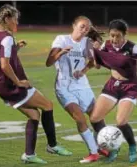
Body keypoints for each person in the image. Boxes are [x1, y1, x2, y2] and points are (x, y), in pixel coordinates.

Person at [76, 19, 137, 163]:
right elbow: (96, 65)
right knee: (95, 118)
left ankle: (132, 146)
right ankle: (113, 147)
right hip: (112, 86)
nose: (114, 39)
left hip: (129, 88)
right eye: (112, 35)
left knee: (121, 122)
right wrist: (87, 63)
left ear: (125, 34)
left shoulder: (133, 48)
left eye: (118, 36)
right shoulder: (105, 45)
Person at [0, 4, 72, 164]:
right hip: (12, 87)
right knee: (48, 105)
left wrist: (16, 48)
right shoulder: (7, 38)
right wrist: (19, 82)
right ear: (6, 19)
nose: (17, 23)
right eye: (15, 20)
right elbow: (4, 65)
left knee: (34, 115)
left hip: (2, 86)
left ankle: (29, 154)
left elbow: (2, 56)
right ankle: (52, 145)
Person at [46, 16, 109, 163]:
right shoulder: (61, 40)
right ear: (74, 25)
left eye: (87, 28)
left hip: (82, 85)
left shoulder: (87, 42)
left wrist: (84, 70)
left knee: (97, 118)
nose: (84, 30)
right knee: (80, 118)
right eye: (82, 26)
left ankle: (100, 146)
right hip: (64, 87)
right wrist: (61, 52)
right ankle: (93, 152)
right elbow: (49, 62)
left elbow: (95, 64)